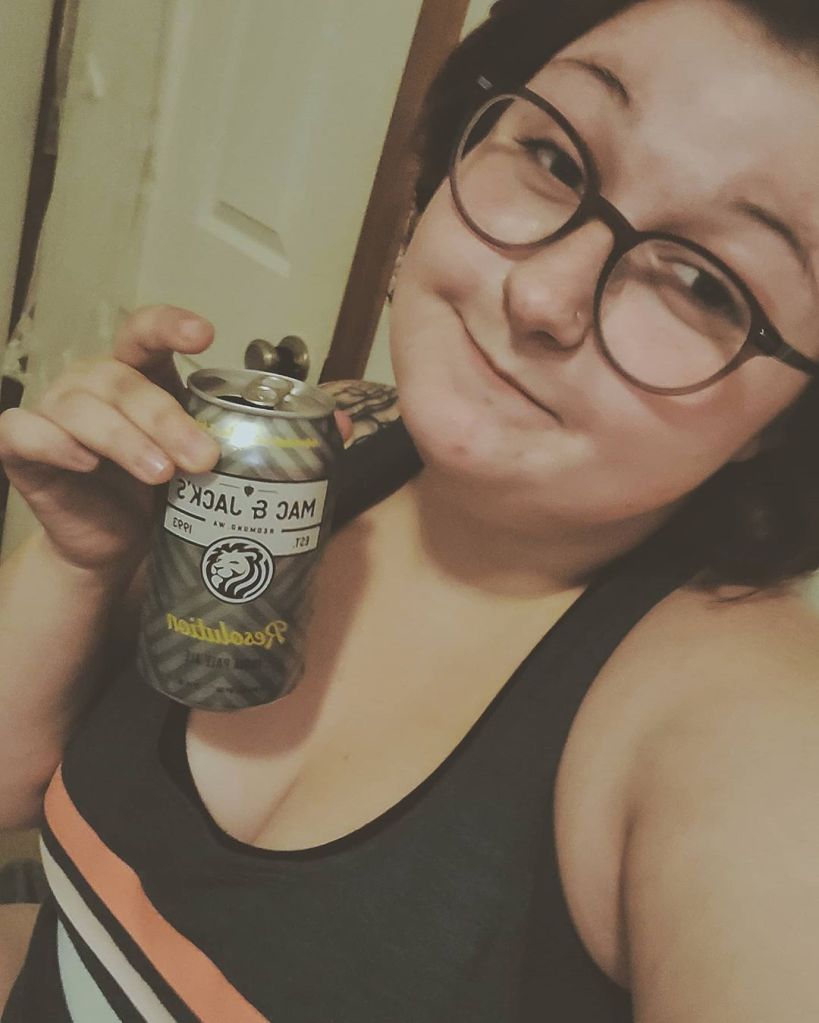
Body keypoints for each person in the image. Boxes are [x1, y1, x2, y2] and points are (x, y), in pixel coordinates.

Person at [2, 0, 819, 1017]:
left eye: (704, 284)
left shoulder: (744, 729)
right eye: (556, 160)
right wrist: (82, 564)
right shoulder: (339, 443)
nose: (543, 297)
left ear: (782, 423)